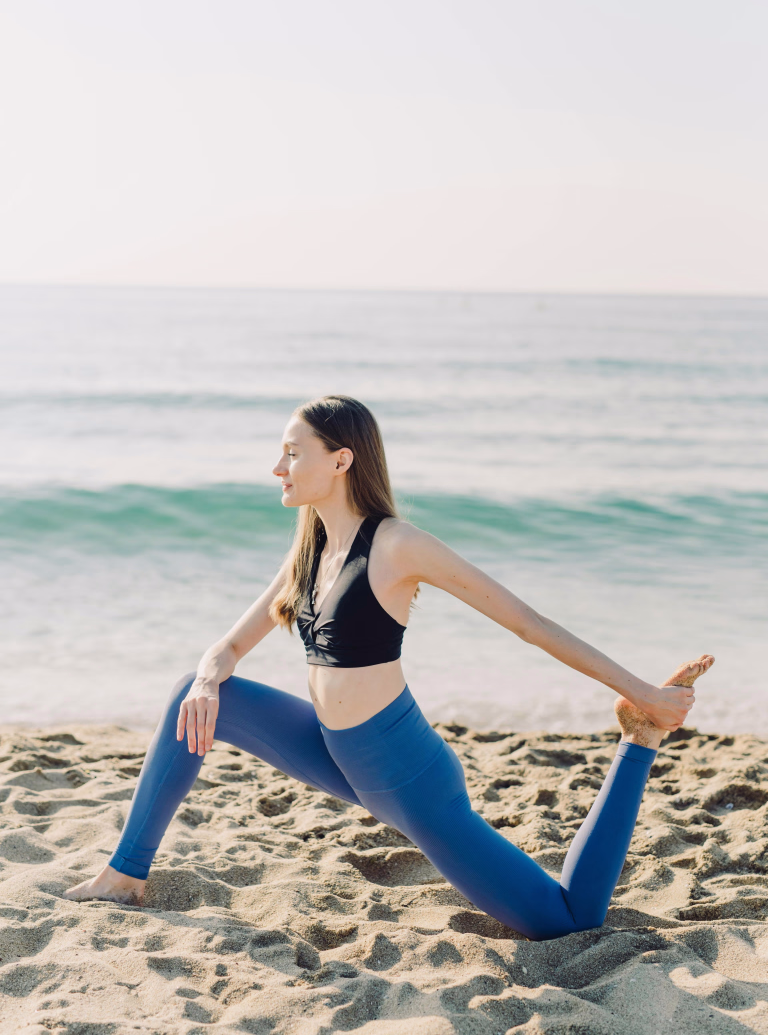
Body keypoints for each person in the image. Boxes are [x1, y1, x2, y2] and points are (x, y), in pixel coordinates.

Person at [66, 395, 713, 941]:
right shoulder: (312, 548)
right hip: (333, 752)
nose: (277, 467)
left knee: (568, 920)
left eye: (293, 452)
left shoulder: (398, 546)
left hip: (408, 779)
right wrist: (210, 676)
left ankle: (639, 741)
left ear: (340, 459)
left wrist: (644, 693)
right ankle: (126, 873)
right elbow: (226, 648)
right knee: (195, 693)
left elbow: (528, 624)